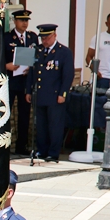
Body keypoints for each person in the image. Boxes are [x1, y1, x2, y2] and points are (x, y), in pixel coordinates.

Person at [26, 24, 74, 162]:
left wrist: (63, 93)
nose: (44, 41)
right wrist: (28, 90)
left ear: (54, 36)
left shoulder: (64, 52)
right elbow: (32, 72)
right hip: (40, 95)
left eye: (47, 38)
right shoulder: (38, 51)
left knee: (55, 126)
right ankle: (42, 150)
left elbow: (68, 75)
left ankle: (53, 153)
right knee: (41, 126)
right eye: (42, 38)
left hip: (55, 95)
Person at [4, 9, 38, 155]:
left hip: (26, 81)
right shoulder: (6, 37)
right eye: (22, 20)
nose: (25, 23)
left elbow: (37, 56)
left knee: (24, 115)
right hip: (12, 80)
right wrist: (7, 66)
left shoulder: (32, 37)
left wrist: (32, 69)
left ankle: (21, 146)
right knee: (7, 113)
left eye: (26, 20)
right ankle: (4, 145)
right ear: (15, 21)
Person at [85, 12, 110, 90]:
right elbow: (89, 57)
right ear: (106, 24)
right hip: (103, 77)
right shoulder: (98, 37)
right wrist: (95, 71)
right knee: (101, 101)